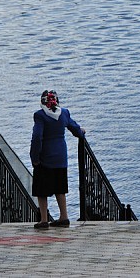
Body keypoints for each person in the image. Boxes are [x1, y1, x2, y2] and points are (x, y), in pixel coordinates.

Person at [30, 90, 86, 228]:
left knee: (41, 190)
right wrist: (81, 133)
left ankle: (44, 219)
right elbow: (75, 128)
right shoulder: (64, 113)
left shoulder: (40, 116)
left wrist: (35, 157)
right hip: (61, 157)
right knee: (60, 187)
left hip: (45, 157)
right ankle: (64, 216)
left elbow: (37, 137)